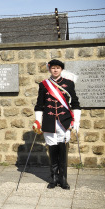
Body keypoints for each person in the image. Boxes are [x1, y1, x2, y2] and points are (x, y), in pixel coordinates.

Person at [33, 59, 81, 190]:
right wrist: (38, 121)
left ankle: (63, 179)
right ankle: (53, 178)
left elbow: (75, 104)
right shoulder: (43, 85)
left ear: (61, 70)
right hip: (49, 121)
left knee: (62, 149)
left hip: (64, 122)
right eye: (53, 68)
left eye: (58, 68)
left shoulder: (69, 84)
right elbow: (39, 105)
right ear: (49, 69)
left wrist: (76, 122)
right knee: (52, 150)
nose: (55, 70)